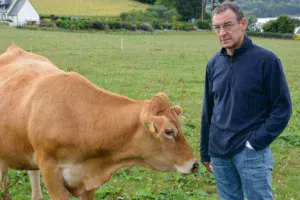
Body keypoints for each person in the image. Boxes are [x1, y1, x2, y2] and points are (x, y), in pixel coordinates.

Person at [200, 1, 292, 200]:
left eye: (227, 25)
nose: (222, 32)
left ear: (243, 23)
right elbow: (208, 110)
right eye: (217, 27)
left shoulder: (267, 61)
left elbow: (282, 108)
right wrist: (205, 151)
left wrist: (255, 143)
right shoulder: (214, 64)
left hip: (250, 152)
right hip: (219, 152)